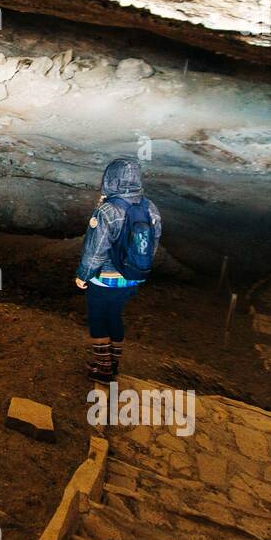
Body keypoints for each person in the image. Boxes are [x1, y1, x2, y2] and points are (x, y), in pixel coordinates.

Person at [74, 157, 162, 382]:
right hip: (132, 279)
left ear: (110, 179)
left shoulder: (108, 210)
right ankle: (112, 365)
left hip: (105, 280)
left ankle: (103, 370)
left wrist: (83, 275)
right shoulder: (150, 207)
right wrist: (137, 271)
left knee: (98, 319)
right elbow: (152, 245)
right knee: (115, 315)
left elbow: (96, 249)